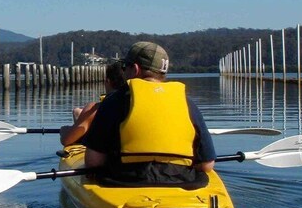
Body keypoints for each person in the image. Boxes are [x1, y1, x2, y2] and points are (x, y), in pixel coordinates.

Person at [81, 41, 216, 185]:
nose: (124, 72)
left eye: (125, 67)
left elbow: (93, 162)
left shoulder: (114, 101)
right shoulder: (187, 103)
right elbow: (206, 165)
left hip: (124, 181)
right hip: (181, 181)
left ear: (136, 69)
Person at [60, 61, 126, 147]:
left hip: (104, 153)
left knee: (76, 115)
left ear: (107, 81)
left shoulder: (94, 109)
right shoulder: (136, 105)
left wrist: (64, 131)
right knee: (77, 113)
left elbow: (67, 141)